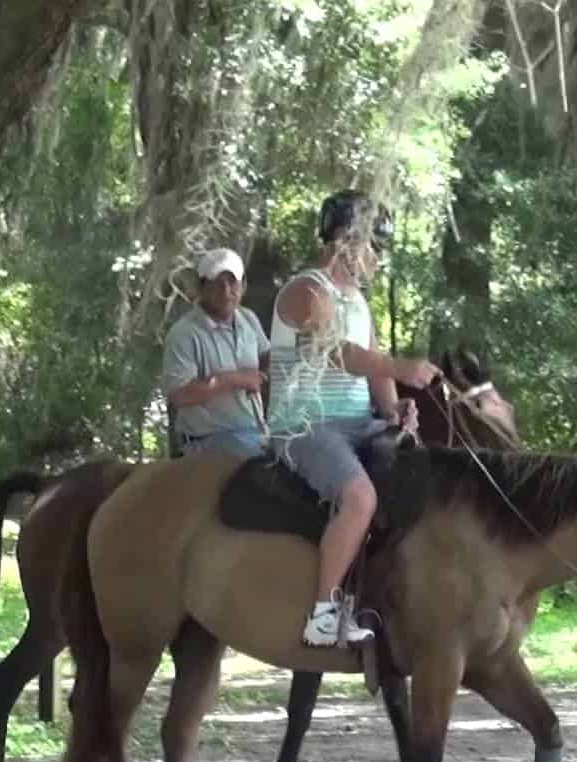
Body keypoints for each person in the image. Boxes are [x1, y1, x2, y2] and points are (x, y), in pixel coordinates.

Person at [268, 190, 440, 648]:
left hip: (359, 423)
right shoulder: (308, 291)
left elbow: (373, 367)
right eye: (374, 245)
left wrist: (393, 408)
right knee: (360, 497)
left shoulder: (358, 301)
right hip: (305, 426)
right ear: (345, 238)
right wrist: (399, 368)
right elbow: (337, 352)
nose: (378, 258)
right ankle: (322, 615)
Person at [161, 248, 269, 458]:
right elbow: (179, 395)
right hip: (206, 440)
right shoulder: (184, 333)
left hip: (254, 432)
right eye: (217, 283)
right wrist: (238, 380)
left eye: (232, 282)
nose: (226, 290)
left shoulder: (248, 319)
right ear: (201, 288)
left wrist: (267, 373)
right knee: (264, 465)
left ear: (243, 285)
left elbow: (267, 355)